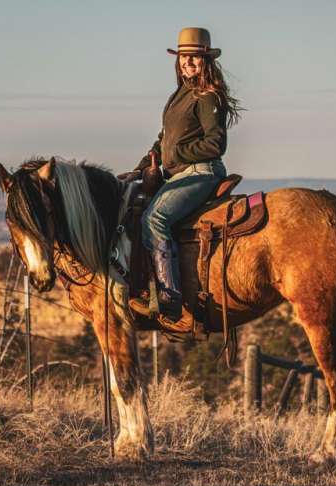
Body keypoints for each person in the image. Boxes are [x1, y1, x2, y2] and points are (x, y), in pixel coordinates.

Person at [123, 27, 242, 329]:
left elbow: (216, 143)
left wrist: (178, 152)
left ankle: (169, 297)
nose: (188, 63)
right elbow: (163, 140)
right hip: (180, 171)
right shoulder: (179, 95)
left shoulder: (206, 96)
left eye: (194, 58)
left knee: (155, 218)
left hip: (202, 172)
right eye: (183, 57)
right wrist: (140, 168)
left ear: (206, 61)